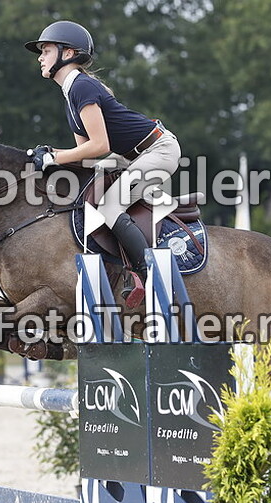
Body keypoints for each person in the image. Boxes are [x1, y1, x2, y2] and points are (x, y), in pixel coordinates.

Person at [24, 20, 182, 307]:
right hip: (132, 155)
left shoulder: (81, 87)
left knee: (110, 206)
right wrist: (48, 155)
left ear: (68, 54)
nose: (40, 57)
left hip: (158, 150)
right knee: (87, 193)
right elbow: (85, 154)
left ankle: (148, 273)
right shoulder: (71, 93)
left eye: (45, 50)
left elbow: (99, 146)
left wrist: (54, 156)